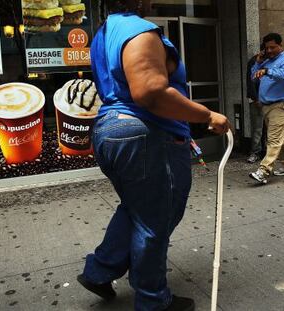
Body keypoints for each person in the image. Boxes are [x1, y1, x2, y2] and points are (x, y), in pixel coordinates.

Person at [76, 1, 231, 310]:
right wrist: (207, 115)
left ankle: (100, 269)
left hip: (114, 129)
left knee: (137, 209)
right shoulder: (139, 31)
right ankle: (153, 300)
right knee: (155, 218)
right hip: (146, 133)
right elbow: (150, 92)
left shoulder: (107, 33)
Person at [249, 33, 284, 184]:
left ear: (280, 45)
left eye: (272, 47)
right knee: (279, 139)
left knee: (274, 139)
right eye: (266, 48)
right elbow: (253, 77)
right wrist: (258, 63)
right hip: (266, 106)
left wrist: (268, 71)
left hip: (279, 105)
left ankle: (264, 171)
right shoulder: (266, 61)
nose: (269, 50)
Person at [246, 44, 265, 163]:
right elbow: (250, 81)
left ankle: (267, 152)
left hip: (272, 100)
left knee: (272, 129)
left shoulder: (276, 61)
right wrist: (255, 98)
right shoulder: (254, 61)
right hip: (257, 99)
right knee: (257, 128)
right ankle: (255, 152)